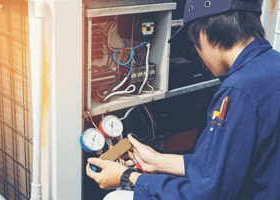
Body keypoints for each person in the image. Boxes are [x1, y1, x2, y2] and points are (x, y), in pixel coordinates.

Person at [86, 0, 280, 199]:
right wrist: (158, 161)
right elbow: (222, 167)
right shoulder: (273, 64)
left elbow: (205, 193)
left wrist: (128, 177)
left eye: (194, 45)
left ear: (204, 33)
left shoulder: (238, 91)